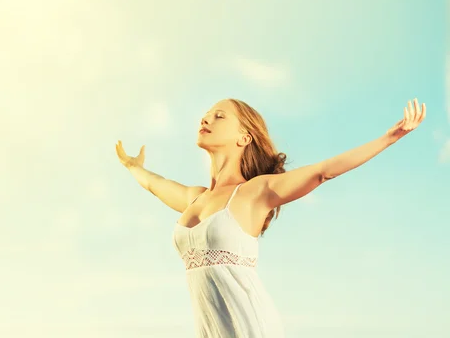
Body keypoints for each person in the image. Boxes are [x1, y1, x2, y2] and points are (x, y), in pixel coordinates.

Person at [115, 97, 426, 337]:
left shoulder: (254, 193)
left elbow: (322, 172)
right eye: (206, 114)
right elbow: (155, 185)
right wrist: (133, 167)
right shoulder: (194, 198)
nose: (206, 118)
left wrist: (390, 138)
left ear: (244, 138)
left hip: (251, 325)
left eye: (220, 116)